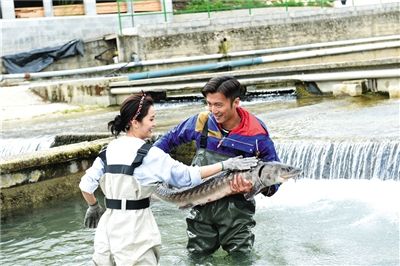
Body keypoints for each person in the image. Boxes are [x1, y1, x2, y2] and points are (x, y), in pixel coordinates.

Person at [79, 92, 258, 265]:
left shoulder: (108, 150)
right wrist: (226, 165)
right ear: (135, 122)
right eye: (151, 119)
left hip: (107, 229)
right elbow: (187, 177)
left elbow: (86, 186)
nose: (154, 124)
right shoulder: (150, 154)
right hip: (134, 229)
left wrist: (94, 207)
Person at [154, 76, 280, 258]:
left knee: (241, 258)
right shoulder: (202, 121)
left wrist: (252, 188)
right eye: (209, 104)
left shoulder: (256, 134)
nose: (213, 110)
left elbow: (273, 180)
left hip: (236, 212)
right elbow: (164, 142)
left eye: (218, 105)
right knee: (196, 257)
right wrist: (148, 165)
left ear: (236, 102)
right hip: (199, 205)